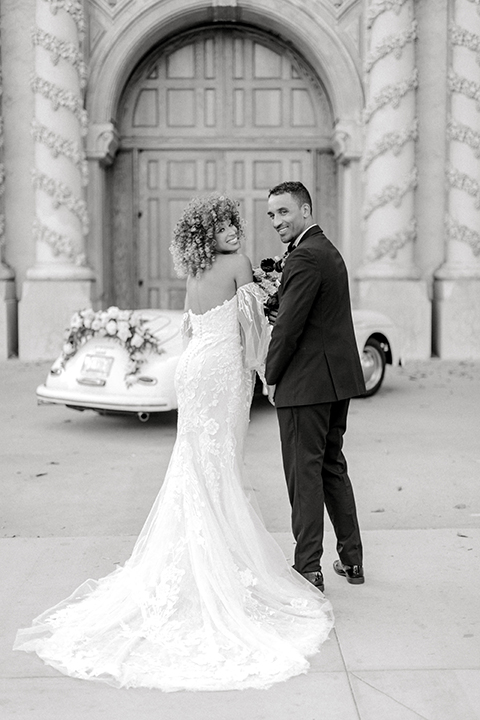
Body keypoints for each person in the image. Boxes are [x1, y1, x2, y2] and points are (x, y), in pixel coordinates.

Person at [14, 194, 333, 692]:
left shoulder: (196, 271)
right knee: (221, 463)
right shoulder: (239, 264)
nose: (235, 230)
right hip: (223, 373)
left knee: (195, 464)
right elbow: (252, 329)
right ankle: (221, 559)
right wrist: (265, 373)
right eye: (224, 225)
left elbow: (190, 328)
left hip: (193, 371)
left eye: (235, 223)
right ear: (208, 233)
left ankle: (202, 549)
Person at [265, 181, 366, 593]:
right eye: (271, 214)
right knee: (330, 466)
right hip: (335, 380)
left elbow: (289, 328)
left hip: (306, 384)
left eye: (284, 212)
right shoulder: (327, 250)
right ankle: (352, 560)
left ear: (305, 210)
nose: (277, 221)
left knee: (303, 474)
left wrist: (270, 375)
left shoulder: (305, 256)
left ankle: (308, 567)